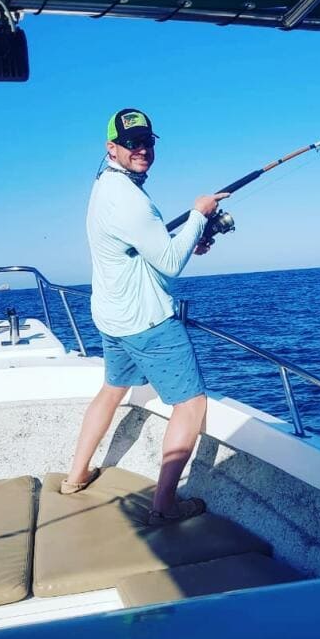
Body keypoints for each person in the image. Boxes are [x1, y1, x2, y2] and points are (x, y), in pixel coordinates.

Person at [62, 108, 228, 526]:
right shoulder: (131, 199)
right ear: (111, 148)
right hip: (148, 323)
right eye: (132, 143)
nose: (142, 150)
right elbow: (170, 262)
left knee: (111, 389)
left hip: (111, 316)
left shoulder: (105, 186)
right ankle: (164, 506)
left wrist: (189, 239)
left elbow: (140, 250)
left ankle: (76, 476)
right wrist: (198, 215)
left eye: (147, 142)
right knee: (191, 404)